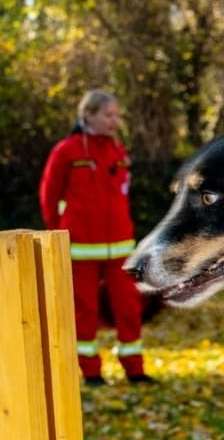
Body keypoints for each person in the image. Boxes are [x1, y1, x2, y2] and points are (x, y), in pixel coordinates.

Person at [39, 91, 151, 385]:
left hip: (120, 248)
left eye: (116, 115)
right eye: (108, 115)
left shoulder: (118, 150)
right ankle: (90, 372)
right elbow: (49, 197)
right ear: (88, 115)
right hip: (80, 249)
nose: (114, 121)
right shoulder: (67, 151)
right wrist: (59, 233)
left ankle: (135, 368)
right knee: (83, 310)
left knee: (129, 308)